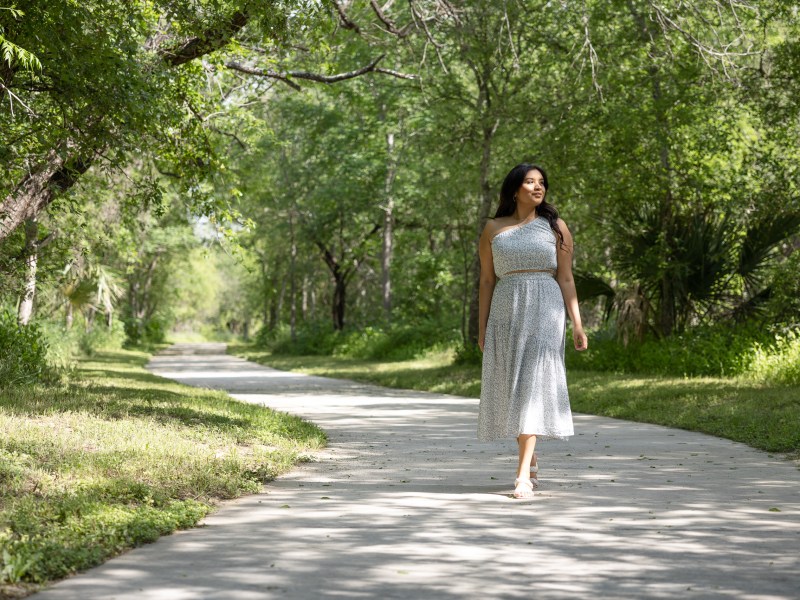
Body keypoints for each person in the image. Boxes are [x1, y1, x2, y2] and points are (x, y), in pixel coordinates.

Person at [477, 163, 588, 499]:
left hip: (545, 308)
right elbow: (486, 280)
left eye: (542, 183)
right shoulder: (493, 229)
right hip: (505, 309)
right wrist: (481, 329)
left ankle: (522, 474)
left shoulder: (556, 228)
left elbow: (566, 278)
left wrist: (578, 325)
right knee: (514, 385)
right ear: (515, 189)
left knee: (532, 384)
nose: (538, 188)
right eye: (530, 182)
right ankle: (531, 456)